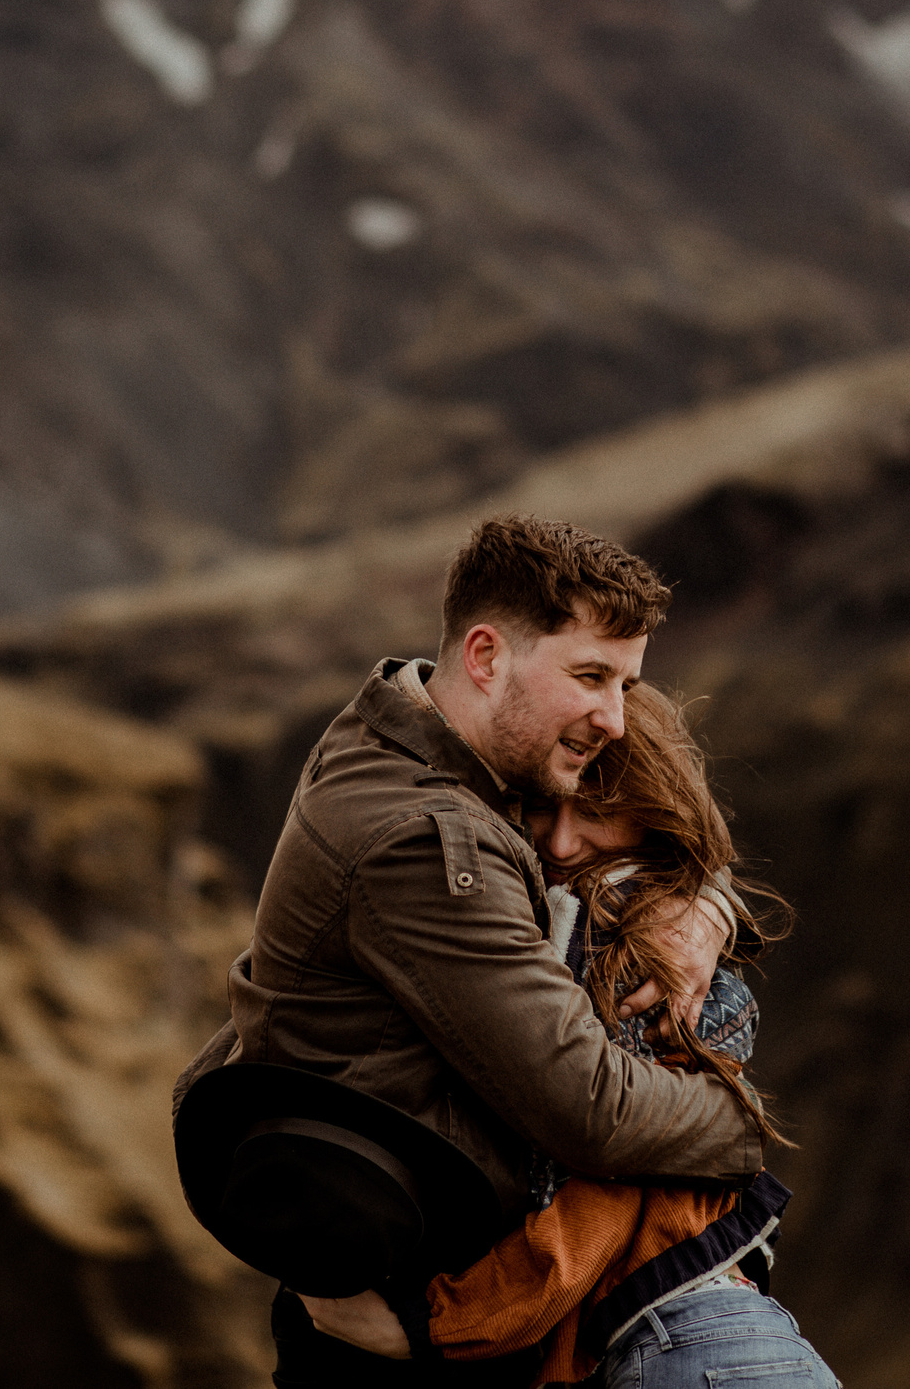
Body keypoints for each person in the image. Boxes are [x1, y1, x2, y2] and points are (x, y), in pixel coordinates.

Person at [172, 515, 764, 1384]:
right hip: (404, 1333)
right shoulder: (426, 837)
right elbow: (591, 1108)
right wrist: (739, 1126)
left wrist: (706, 902)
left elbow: (629, 861)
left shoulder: (405, 739)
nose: (613, 716)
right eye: (591, 676)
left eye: (625, 683)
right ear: (485, 656)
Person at [298, 685, 841, 1387]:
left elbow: (601, 1197)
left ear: (655, 810)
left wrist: (435, 1322)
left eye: (599, 811)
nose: (560, 842)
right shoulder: (602, 910)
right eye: (541, 807)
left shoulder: (630, 950)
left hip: (694, 1346)